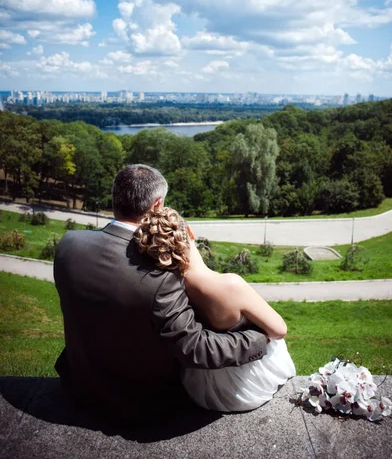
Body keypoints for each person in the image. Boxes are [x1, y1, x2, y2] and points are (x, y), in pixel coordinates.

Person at [54, 164, 268, 420]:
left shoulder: (69, 245)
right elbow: (196, 348)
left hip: (78, 386)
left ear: (115, 198)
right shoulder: (160, 275)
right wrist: (257, 339)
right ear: (157, 206)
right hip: (140, 403)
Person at [135, 206, 296, 412]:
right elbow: (279, 330)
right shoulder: (231, 284)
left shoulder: (169, 289)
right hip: (246, 387)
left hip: (200, 386)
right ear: (191, 233)